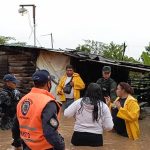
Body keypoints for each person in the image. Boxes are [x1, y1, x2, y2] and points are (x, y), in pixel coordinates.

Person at [12, 70, 65, 150]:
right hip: (44, 147)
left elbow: (15, 126)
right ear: (48, 83)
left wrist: (17, 144)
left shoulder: (23, 100)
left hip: (27, 145)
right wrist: (61, 147)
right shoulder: (48, 102)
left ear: (34, 83)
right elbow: (50, 132)